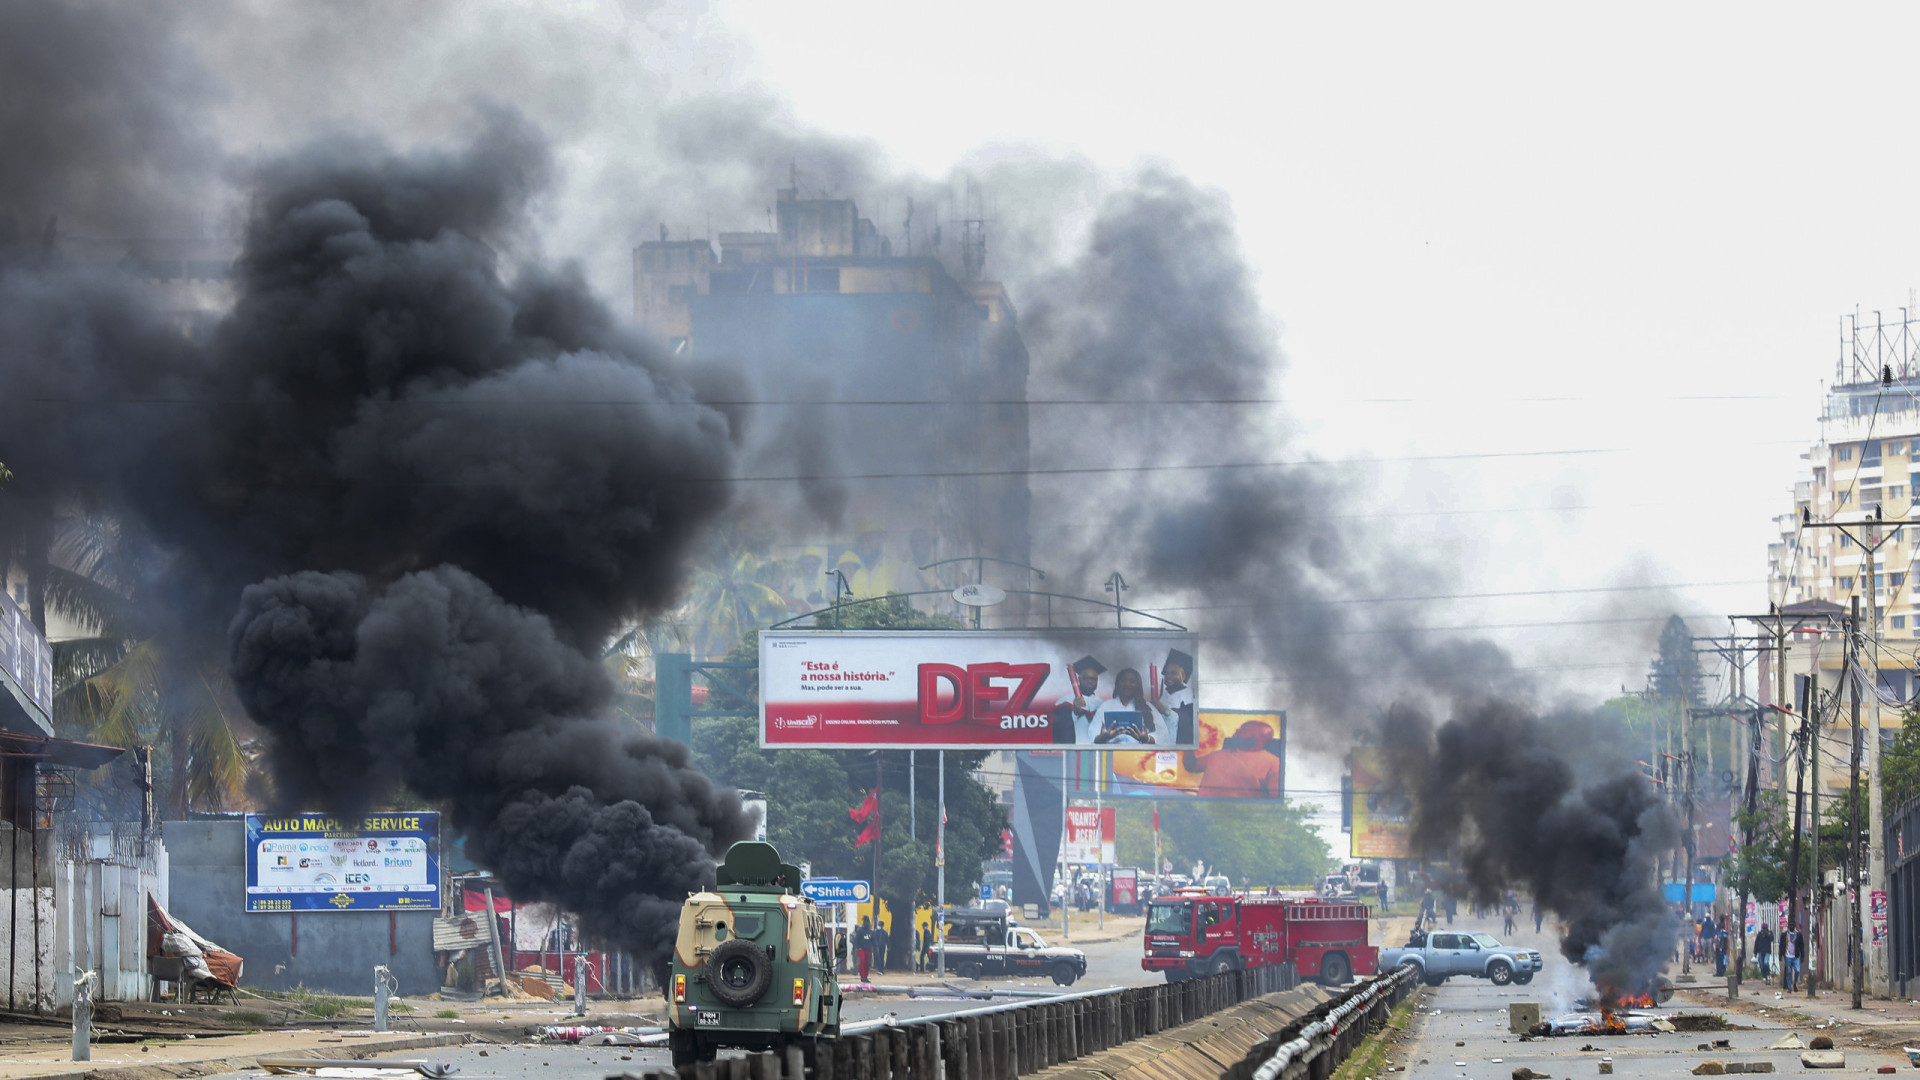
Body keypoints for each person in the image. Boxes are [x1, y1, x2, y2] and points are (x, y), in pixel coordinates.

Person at [1182, 719, 1283, 796]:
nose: (1237, 729)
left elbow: (1275, 800)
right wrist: (1189, 743)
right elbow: (1191, 765)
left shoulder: (1273, 763)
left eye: (1244, 728)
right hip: (1201, 812)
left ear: (1261, 737)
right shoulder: (1216, 755)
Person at [1091, 668, 1165, 744]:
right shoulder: (1106, 706)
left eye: (1132, 681)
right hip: (1112, 753)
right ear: (1118, 684)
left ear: (1138, 685)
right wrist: (1104, 736)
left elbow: (1162, 733)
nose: (1127, 684)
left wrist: (1147, 738)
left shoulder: (1147, 707)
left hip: (1139, 754)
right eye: (1123, 681)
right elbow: (1093, 734)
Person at [1143, 649, 1196, 744]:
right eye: (1166, 673)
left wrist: (1163, 709)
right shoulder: (1162, 694)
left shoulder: (1189, 696)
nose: (1168, 676)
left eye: (1174, 673)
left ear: (1183, 676)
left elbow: (1186, 722)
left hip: (1176, 745)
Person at [1054, 656, 1106, 743]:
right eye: (1087, 678)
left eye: (1094, 679)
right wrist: (1075, 713)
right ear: (1078, 679)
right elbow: (1058, 729)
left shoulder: (1102, 704)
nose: (1090, 681)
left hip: (1098, 752)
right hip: (1074, 750)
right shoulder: (1065, 701)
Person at [855, 916, 875, 982]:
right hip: (861, 949)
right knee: (862, 961)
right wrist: (857, 947)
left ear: (868, 922)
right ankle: (862, 976)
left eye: (866, 922)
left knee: (867, 963)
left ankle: (866, 976)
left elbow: (873, 940)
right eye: (864, 922)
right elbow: (856, 940)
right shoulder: (860, 930)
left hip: (868, 949)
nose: (865, 923)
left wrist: (874, 947)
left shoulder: (871, 932)